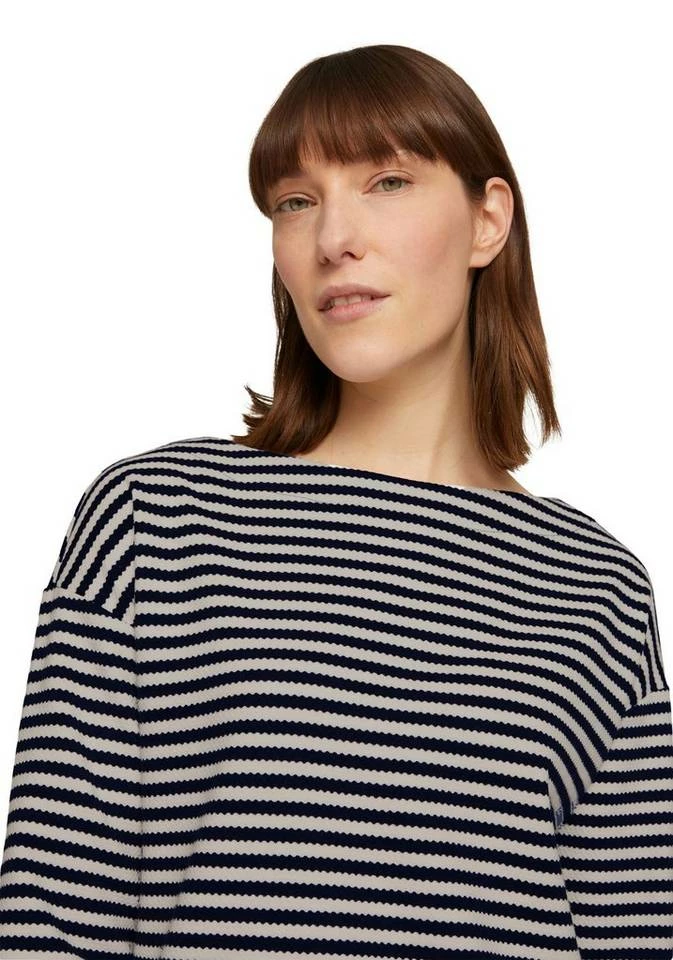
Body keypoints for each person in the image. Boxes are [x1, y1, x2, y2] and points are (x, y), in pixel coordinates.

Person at [0, 43, 671, 960]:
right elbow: (46, 925)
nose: (331, 239)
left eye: (386, 182)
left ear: (487, 221)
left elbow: (636, 934)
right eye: (295, 201)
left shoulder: (594, 585)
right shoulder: (155, 522)